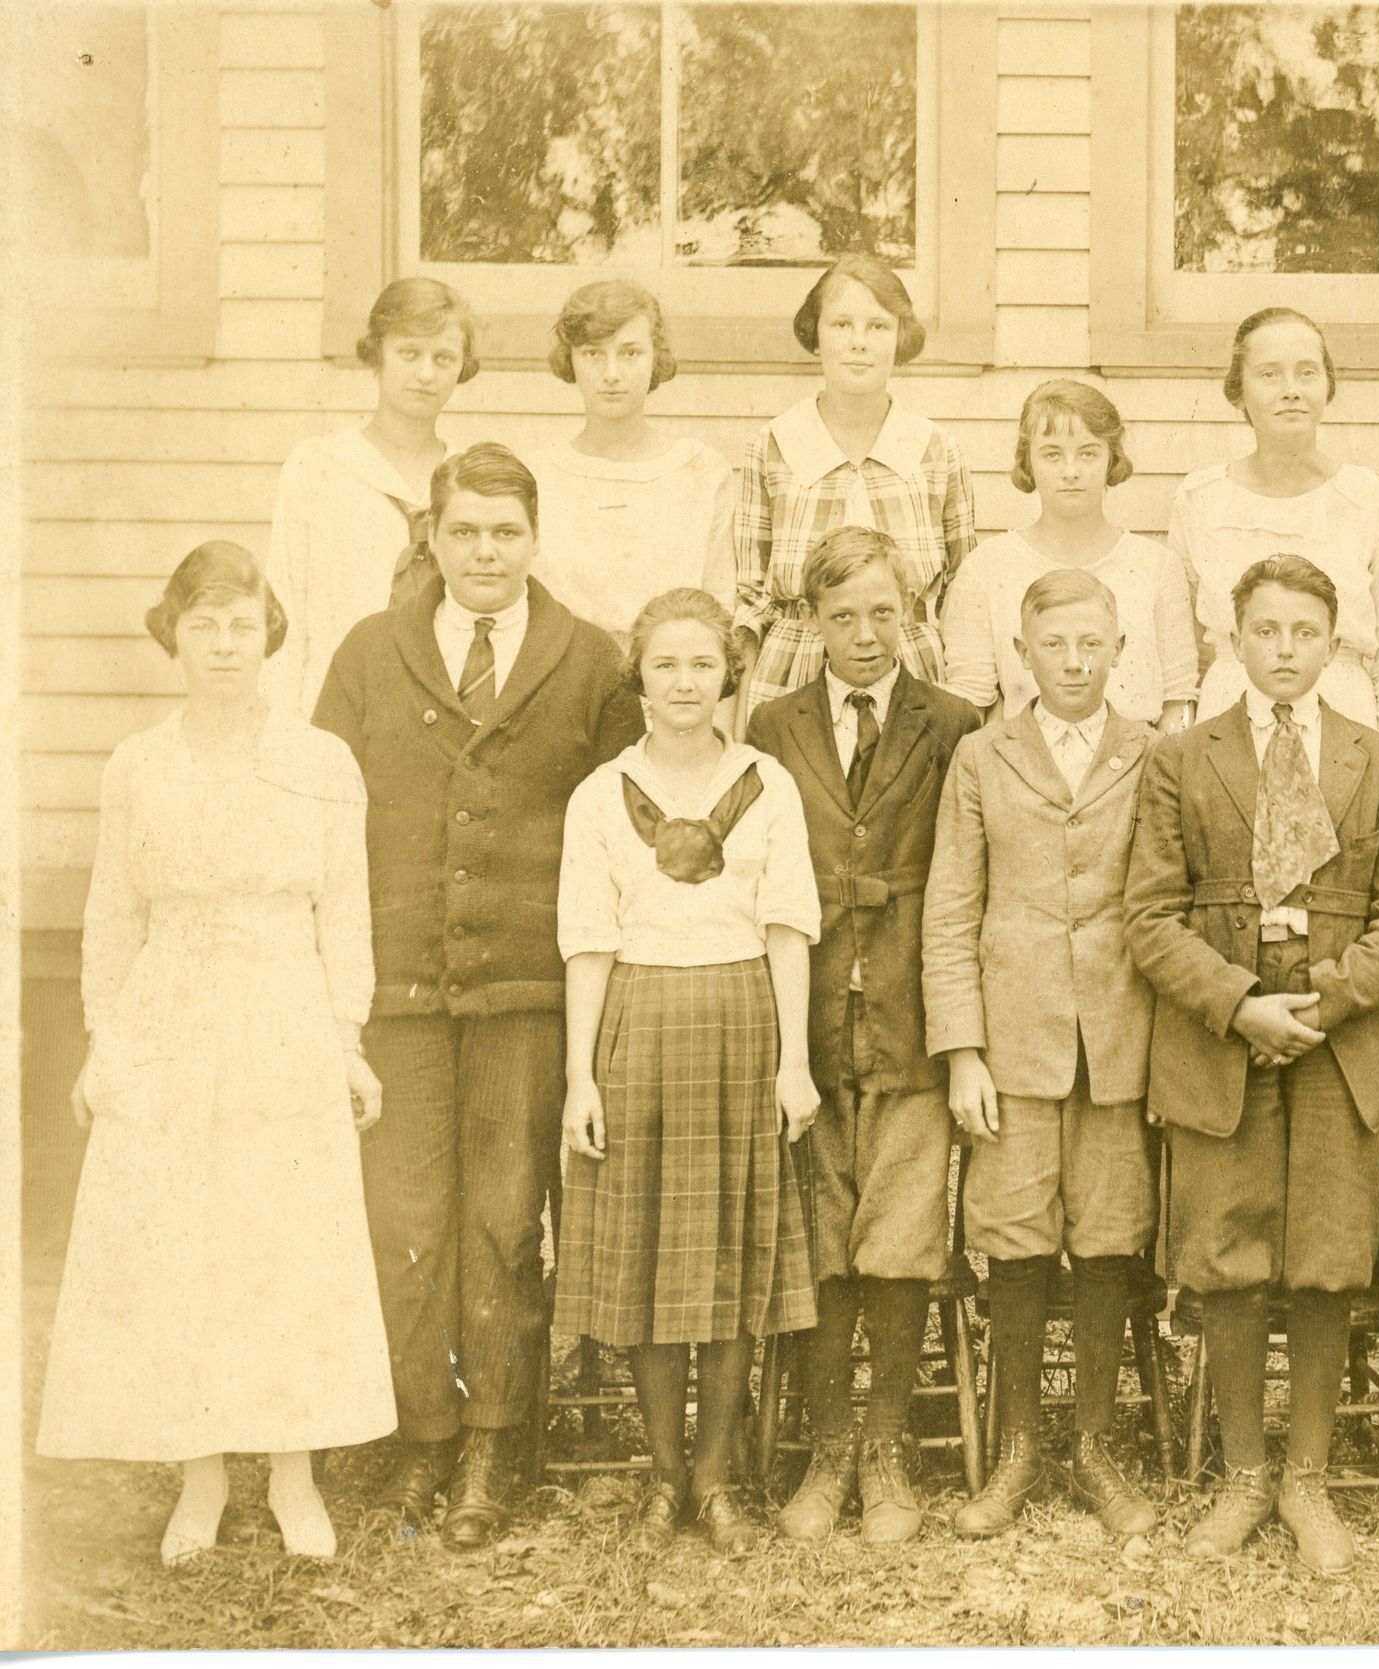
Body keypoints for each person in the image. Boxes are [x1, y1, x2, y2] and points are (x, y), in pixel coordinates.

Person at [313, 442, 645, 1550]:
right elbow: (322, 815)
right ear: (434, 537)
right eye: (465, 531)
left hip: (528, 993)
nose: (486, 552)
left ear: (536, 538)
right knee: (406, 1220)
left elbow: (623, 828)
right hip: (399, 990)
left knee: (505, 1220)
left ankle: (498, 1442)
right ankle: (423, 1437)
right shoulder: (371, 652)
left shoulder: (590, 660)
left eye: (507, 532)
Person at [38, 542, 393, 1567]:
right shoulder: (137, 764)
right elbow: (113, 915)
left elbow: (346, 913)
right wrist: (104, 1043)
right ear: (175, 637)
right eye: (205, 625)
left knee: (285, 1242)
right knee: (183, 1245)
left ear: (268, 635)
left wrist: (347, 1041)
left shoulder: (318, 762)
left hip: (283, 1012)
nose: (226, 645)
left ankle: (292, 1473)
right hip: (170, 1018)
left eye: (243, 625)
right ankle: (200, 1475)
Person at [1124, 553, 1379, 1575]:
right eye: (1266, 630)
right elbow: (1151, 915)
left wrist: (1325, 1003)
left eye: (1306, 631)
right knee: (1230, 1258)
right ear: (1233, 638)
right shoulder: (1182, 757)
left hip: (1339, 1045)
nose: (1286, 649)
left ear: (1335, 642)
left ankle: (1306, 1477)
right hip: (1225, 1041)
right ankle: (1244, 1473)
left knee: (1325, 1260)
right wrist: (1239, 1004)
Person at [554, 589, 822, 1555]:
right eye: (664, 664)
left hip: (741, 1023)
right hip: (639, 1025)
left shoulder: (767, 784)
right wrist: (582, 1077)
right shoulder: (601, 794)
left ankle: (717, 1480)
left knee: (728, 1259)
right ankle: (664, 1478)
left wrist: (794, 1061)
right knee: (650, 1262)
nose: (683, 683)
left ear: (730, 677)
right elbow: (587, 942)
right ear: (639, 678)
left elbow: (788, 927)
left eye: (702, 664)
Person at [746, 526, 983, 1547]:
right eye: (842, 616)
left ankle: (886, 1447)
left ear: (912, 612)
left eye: (884, 611)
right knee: (819, 1236)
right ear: (812, 622)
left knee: (899, 1238)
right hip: (804, 1017)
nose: (866, 634)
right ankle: (828, 1447)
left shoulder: (955, 722)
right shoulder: (772, 724)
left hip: (912, 1008)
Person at [923, 567, 1164, 1539]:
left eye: (1090, 644)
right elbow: (950, 911)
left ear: (1119, 650)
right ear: (1021, 654)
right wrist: (962, 1050)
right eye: (1052, 645)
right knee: (1016, 1238)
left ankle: (1095, 1446)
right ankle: (1019, 1446)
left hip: (1118, 1039)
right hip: (1013, 1042)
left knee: (1108, 1236)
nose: (1072, 662)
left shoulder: (1151, 753)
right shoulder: (982, 757)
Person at [734, 255, 978, 722]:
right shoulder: (772, 445)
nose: (859, 342)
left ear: (900, 337)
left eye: (878, 326)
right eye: (842, 324)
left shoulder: (936, 449)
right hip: (793, 673)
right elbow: (751, 599)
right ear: (816, 333)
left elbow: (962, 594)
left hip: (913, 671)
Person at [1168, 308, 1379, 743]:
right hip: (1226, 724)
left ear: (1328, 386)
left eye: (1307, 373)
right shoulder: (1199, 499)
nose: (1291, 391)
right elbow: (1184, 657)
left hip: (1345, 726)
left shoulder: (1374, 501)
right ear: (1238, 391)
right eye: (1269, 374)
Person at [262, 275, 475, 716]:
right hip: (336, 713)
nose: (425, 374)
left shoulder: (472, 477)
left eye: (443, 358)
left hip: (445, 719)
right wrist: (286, 735)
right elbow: (285, 614)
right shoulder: (318, 467)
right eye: (409, 353)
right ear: (378, 353)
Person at [941, 378, 1198, 729]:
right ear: (1028, 462)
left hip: (1141, 755)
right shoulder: (987, 567)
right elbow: (971, 702)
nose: (1071, 472)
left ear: (1111, 459)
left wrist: (1166, 761)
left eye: (1088, 453)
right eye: (1052, 454)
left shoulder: (1157, 565)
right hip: (1026, 754)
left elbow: (1178, 699)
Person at [528, 281, 737, 643]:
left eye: (630, 353)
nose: (611, 373)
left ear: (656, 358)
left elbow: (720, 610)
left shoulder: (702, 471)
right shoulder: (536, 474)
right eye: (593, 353)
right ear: (571, 360)